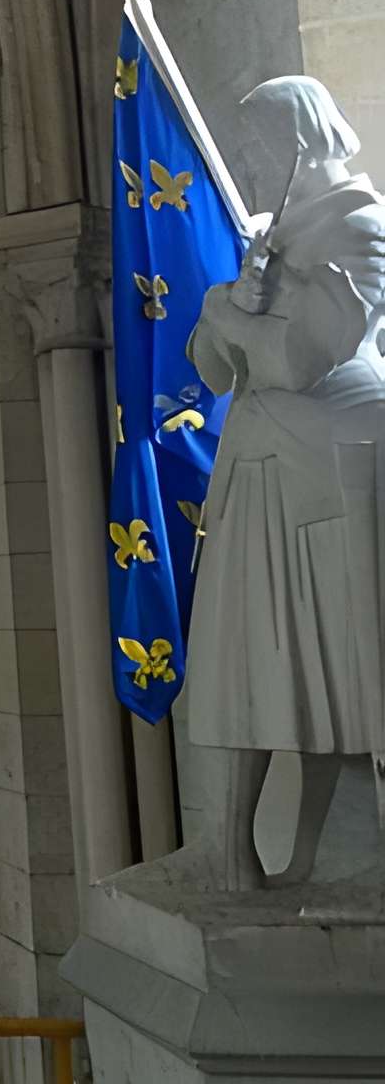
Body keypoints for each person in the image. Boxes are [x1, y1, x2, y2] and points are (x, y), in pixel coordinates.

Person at [187, 76, 385, 887]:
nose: (254, 164)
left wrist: (235, 313)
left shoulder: (360, 229)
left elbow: (305, 356)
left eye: (264, 147)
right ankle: (234, 853)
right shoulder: (268, 240)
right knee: (248, 665)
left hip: (332, 473)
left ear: (303, 140)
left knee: (336, 674)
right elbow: (216, 368)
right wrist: (224, 305)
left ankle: (313, 860)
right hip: (259, 470)